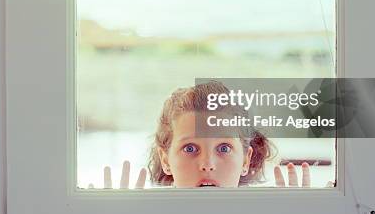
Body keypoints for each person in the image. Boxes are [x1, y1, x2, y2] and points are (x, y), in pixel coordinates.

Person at [94, 81, 314, 189]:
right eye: (190, 148)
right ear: (165, 160)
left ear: (245, 160)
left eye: (224, 148)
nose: (207, 165)